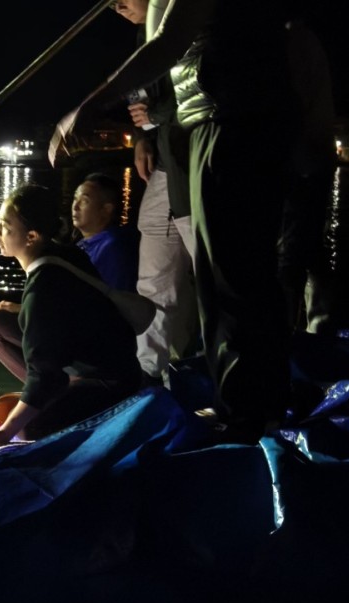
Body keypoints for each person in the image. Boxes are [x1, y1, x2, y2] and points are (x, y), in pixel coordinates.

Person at [50, 0, 299, 443]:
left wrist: (92, 102)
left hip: (231, 123)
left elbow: (170, 40)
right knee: (221, 277)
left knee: (232, 276)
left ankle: (251, 413)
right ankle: (243, 404)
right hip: (210, 123)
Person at [0, 183, 142, 450]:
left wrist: (5, 432)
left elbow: (45, 375)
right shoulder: (63, 254)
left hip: (108, 381)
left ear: (32, 237)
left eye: (5, 225)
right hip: (84, 360)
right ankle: (47, 397)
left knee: (26, 429)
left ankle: (49, 403)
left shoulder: (43, 289)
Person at [113, 0, 198, 388]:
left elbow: (203, 92)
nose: (117, 6)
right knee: (155, 275)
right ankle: (153, 374)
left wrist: (157, 118)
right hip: (167, 161)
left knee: (215, 271)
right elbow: (140, 97)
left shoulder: (192, 22)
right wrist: (145, 135)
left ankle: (225, 376)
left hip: (198, 162)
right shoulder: (142, 35)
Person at [278, 17, 337, 335]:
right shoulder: (302, 38)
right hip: (311, 160)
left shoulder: (290, 42)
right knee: (308, 247)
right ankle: (320, 328)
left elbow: (290, 105)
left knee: (291, 254)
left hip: (299, 164)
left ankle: (284, 336)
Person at [70, 172, 139, 293]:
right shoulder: (84, 244)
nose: (75, 206)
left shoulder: (113, 248)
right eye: (75, 198)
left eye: (84, 201)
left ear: (106, 209)